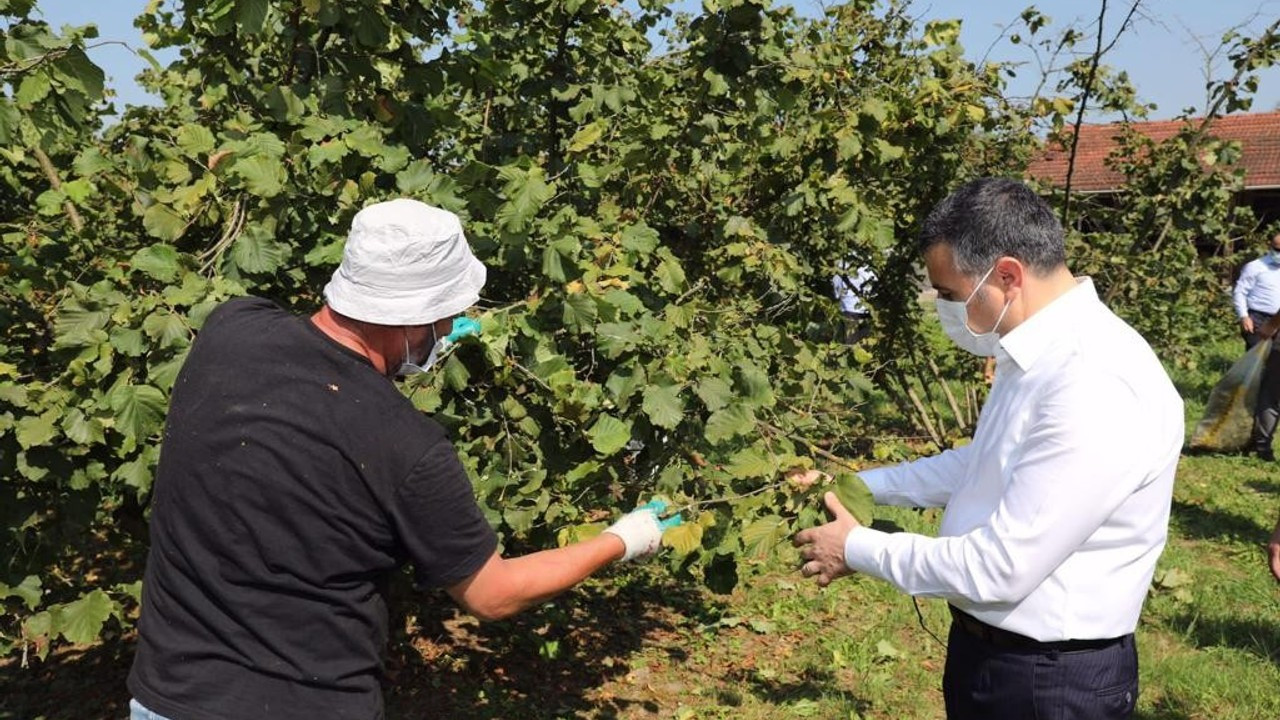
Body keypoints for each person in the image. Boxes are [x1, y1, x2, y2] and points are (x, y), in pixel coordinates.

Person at [126, 199, 672, 720]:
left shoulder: (231, 329)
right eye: (449, 316)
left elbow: (317, 367)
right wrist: (621, 540)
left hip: (165, 698)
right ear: (419, 318)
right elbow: (493, 594)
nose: (451, 328)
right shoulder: (406, 446)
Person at [794, 178, 1183, 720]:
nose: (946, 309)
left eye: (950, 294)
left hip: (1048, 682)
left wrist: (856, 548)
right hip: (995, 656)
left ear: (1007, 275)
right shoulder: (1036, 352)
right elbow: (983, 463)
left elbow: (1001, 568)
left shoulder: (1095, 381)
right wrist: (858, 487)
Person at [1231, 231, 1280, 461]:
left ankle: (1261, 442)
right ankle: (1249, 439)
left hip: (1275, 323)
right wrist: (1244, 317)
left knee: (1271, 386)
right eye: (1276, 248)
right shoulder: (1256, 267)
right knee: (1255, 381)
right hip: (1259, 323)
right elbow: (1240, 291)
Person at [832, 262, 874, 344]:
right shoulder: (868, 266)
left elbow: (837, 293)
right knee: (869, 342)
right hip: (868, 310)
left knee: (851, 344)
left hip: (849, 310)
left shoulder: (840, 266)